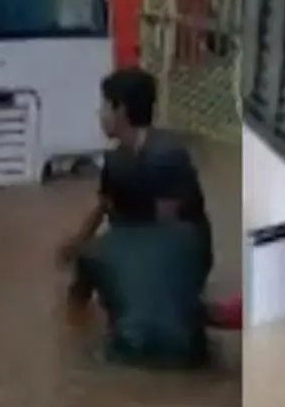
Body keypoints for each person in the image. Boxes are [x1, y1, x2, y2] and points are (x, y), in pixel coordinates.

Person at [60, 67, 214, 291]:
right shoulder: (116, 159)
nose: (99, 114)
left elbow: (170, 230)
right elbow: (103, 207)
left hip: (182, 258)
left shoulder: (166, 156)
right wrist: (77, 244)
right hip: (143, 246)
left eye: (104, 106)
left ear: (120, 109)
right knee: (88, 263)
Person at [68, 163, 211, 369]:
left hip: (130, 349)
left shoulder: (94, 250)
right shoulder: (190, 237)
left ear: (109, 203)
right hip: (191, 351)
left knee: (83, 355)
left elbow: (75, 313)